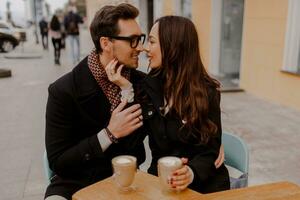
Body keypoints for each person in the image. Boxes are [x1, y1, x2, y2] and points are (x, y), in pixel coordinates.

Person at [107, 15, 230, 193]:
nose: (145, 49)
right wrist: (126, 89)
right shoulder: (147, 86)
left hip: (204, 186)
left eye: (152, 41)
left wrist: (191, 172)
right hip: (160, 183)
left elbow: (211, 151)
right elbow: (131, 141)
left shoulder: (207, 91)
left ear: (173, 46)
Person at [45, 4, 146, 200]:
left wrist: (127, 90)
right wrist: (108, 134)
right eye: (133, 41)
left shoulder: (139, 83)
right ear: (106, 43)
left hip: (126, 182)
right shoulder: (63, 90)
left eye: (140, 39)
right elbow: (58, 162)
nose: (140, 47)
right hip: (76, 182)